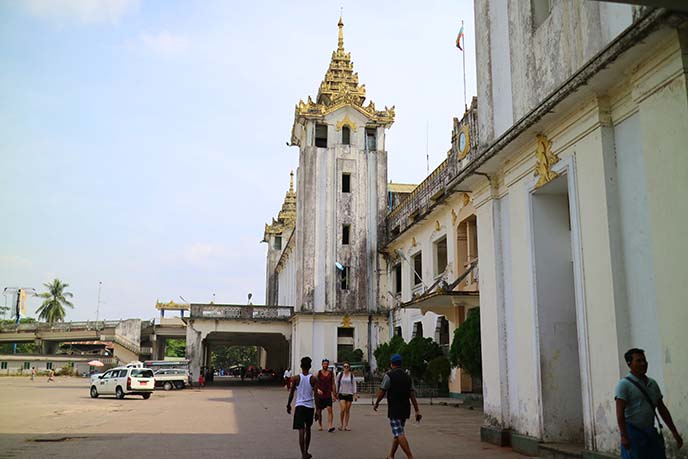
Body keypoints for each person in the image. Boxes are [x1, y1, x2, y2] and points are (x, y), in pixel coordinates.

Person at [615, 348, 683, 458]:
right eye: (639, 361)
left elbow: (662, 409)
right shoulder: (623, 385)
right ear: (629, 364)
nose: (643, 364)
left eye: (644, 361)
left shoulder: (652, 384)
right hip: (633, 433)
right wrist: (624, 436)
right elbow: (620, 413)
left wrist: (674, 432)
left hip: (650, 431)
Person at [374, 354, 421, 459]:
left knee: (399, 433)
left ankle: (410, 456)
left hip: (394, 409)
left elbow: (382, 391)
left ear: (391, 364)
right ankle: (391, 455)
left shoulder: (389, 376)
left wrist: (377, 403)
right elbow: (412, 395)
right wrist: (417, 410)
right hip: (405, 409)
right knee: (398, 432)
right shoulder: (408, 377)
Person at [287, 357, 318, 459]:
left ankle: (303, 454)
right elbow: (316, 396)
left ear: (301, 366)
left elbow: (291, 393)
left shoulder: (296, 378)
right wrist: (317, 410)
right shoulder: (313, 379)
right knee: (308, 429)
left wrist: (288, 404)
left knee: (301, 430)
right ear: (309, 366)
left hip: (299, 406)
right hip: (309, 407)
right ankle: (306, 451)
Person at [315, 358, 337, 432]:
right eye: (324, 364)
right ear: (322, 364)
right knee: (319, 411)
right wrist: (317, 390)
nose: (325, 365)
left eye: (327, 364)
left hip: (328, 394)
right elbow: (314, 383)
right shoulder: (318, 373)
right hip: (320, 395)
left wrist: (334, 394)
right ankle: (320, 425)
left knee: (329, 409)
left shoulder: (331, 373)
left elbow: (333, 384)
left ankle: (330, 425)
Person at [335, 361, 358, 431]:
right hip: (342, 393)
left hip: (349, 394)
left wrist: (355, 394)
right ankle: (341, 424)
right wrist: (336, 392)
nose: (346, 368)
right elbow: (337, 383)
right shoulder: (340, 374)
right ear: (343, 367)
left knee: (347, 410)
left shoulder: (351, 375)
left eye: (347, 367)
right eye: (345, 366)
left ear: (349, 368)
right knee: (343, 409)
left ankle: (346, 425)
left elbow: (354, 384)